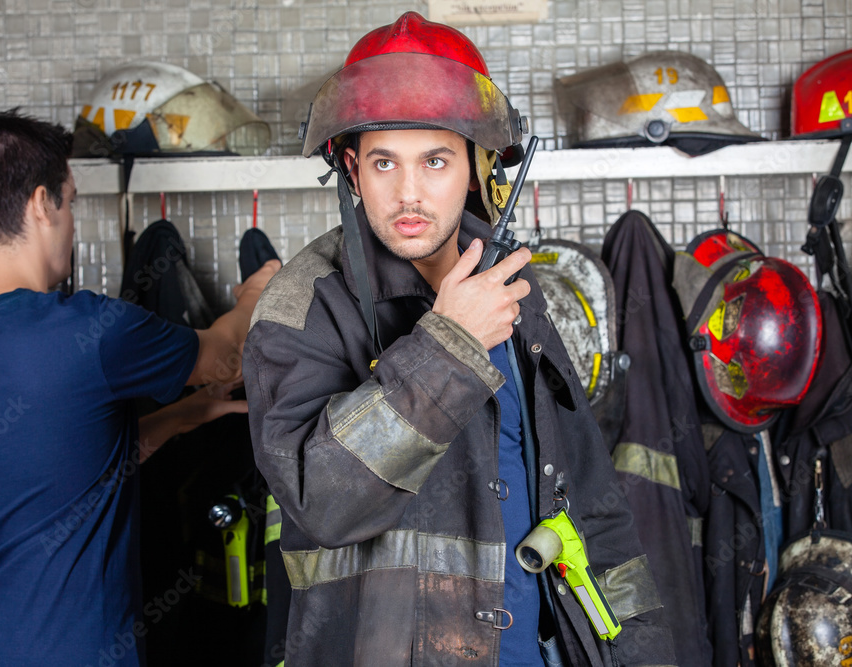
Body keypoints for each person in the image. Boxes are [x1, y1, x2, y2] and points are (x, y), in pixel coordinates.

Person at [242, 12, 676, 666]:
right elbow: (321, 500)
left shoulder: (512, 287)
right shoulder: (303, 307)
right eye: (384, 163)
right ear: (353, 170)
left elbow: (587, 495)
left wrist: (642, 650)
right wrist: (448, 346)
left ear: (475, 167)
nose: (408, 194)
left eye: (435, 161)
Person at [0, 108, 279, 665]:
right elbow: (225, 357)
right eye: (70, 202)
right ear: (40, 203)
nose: (72, 223)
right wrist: (259, 291)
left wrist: (187, 414)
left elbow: (56, 469)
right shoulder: (90, 331)